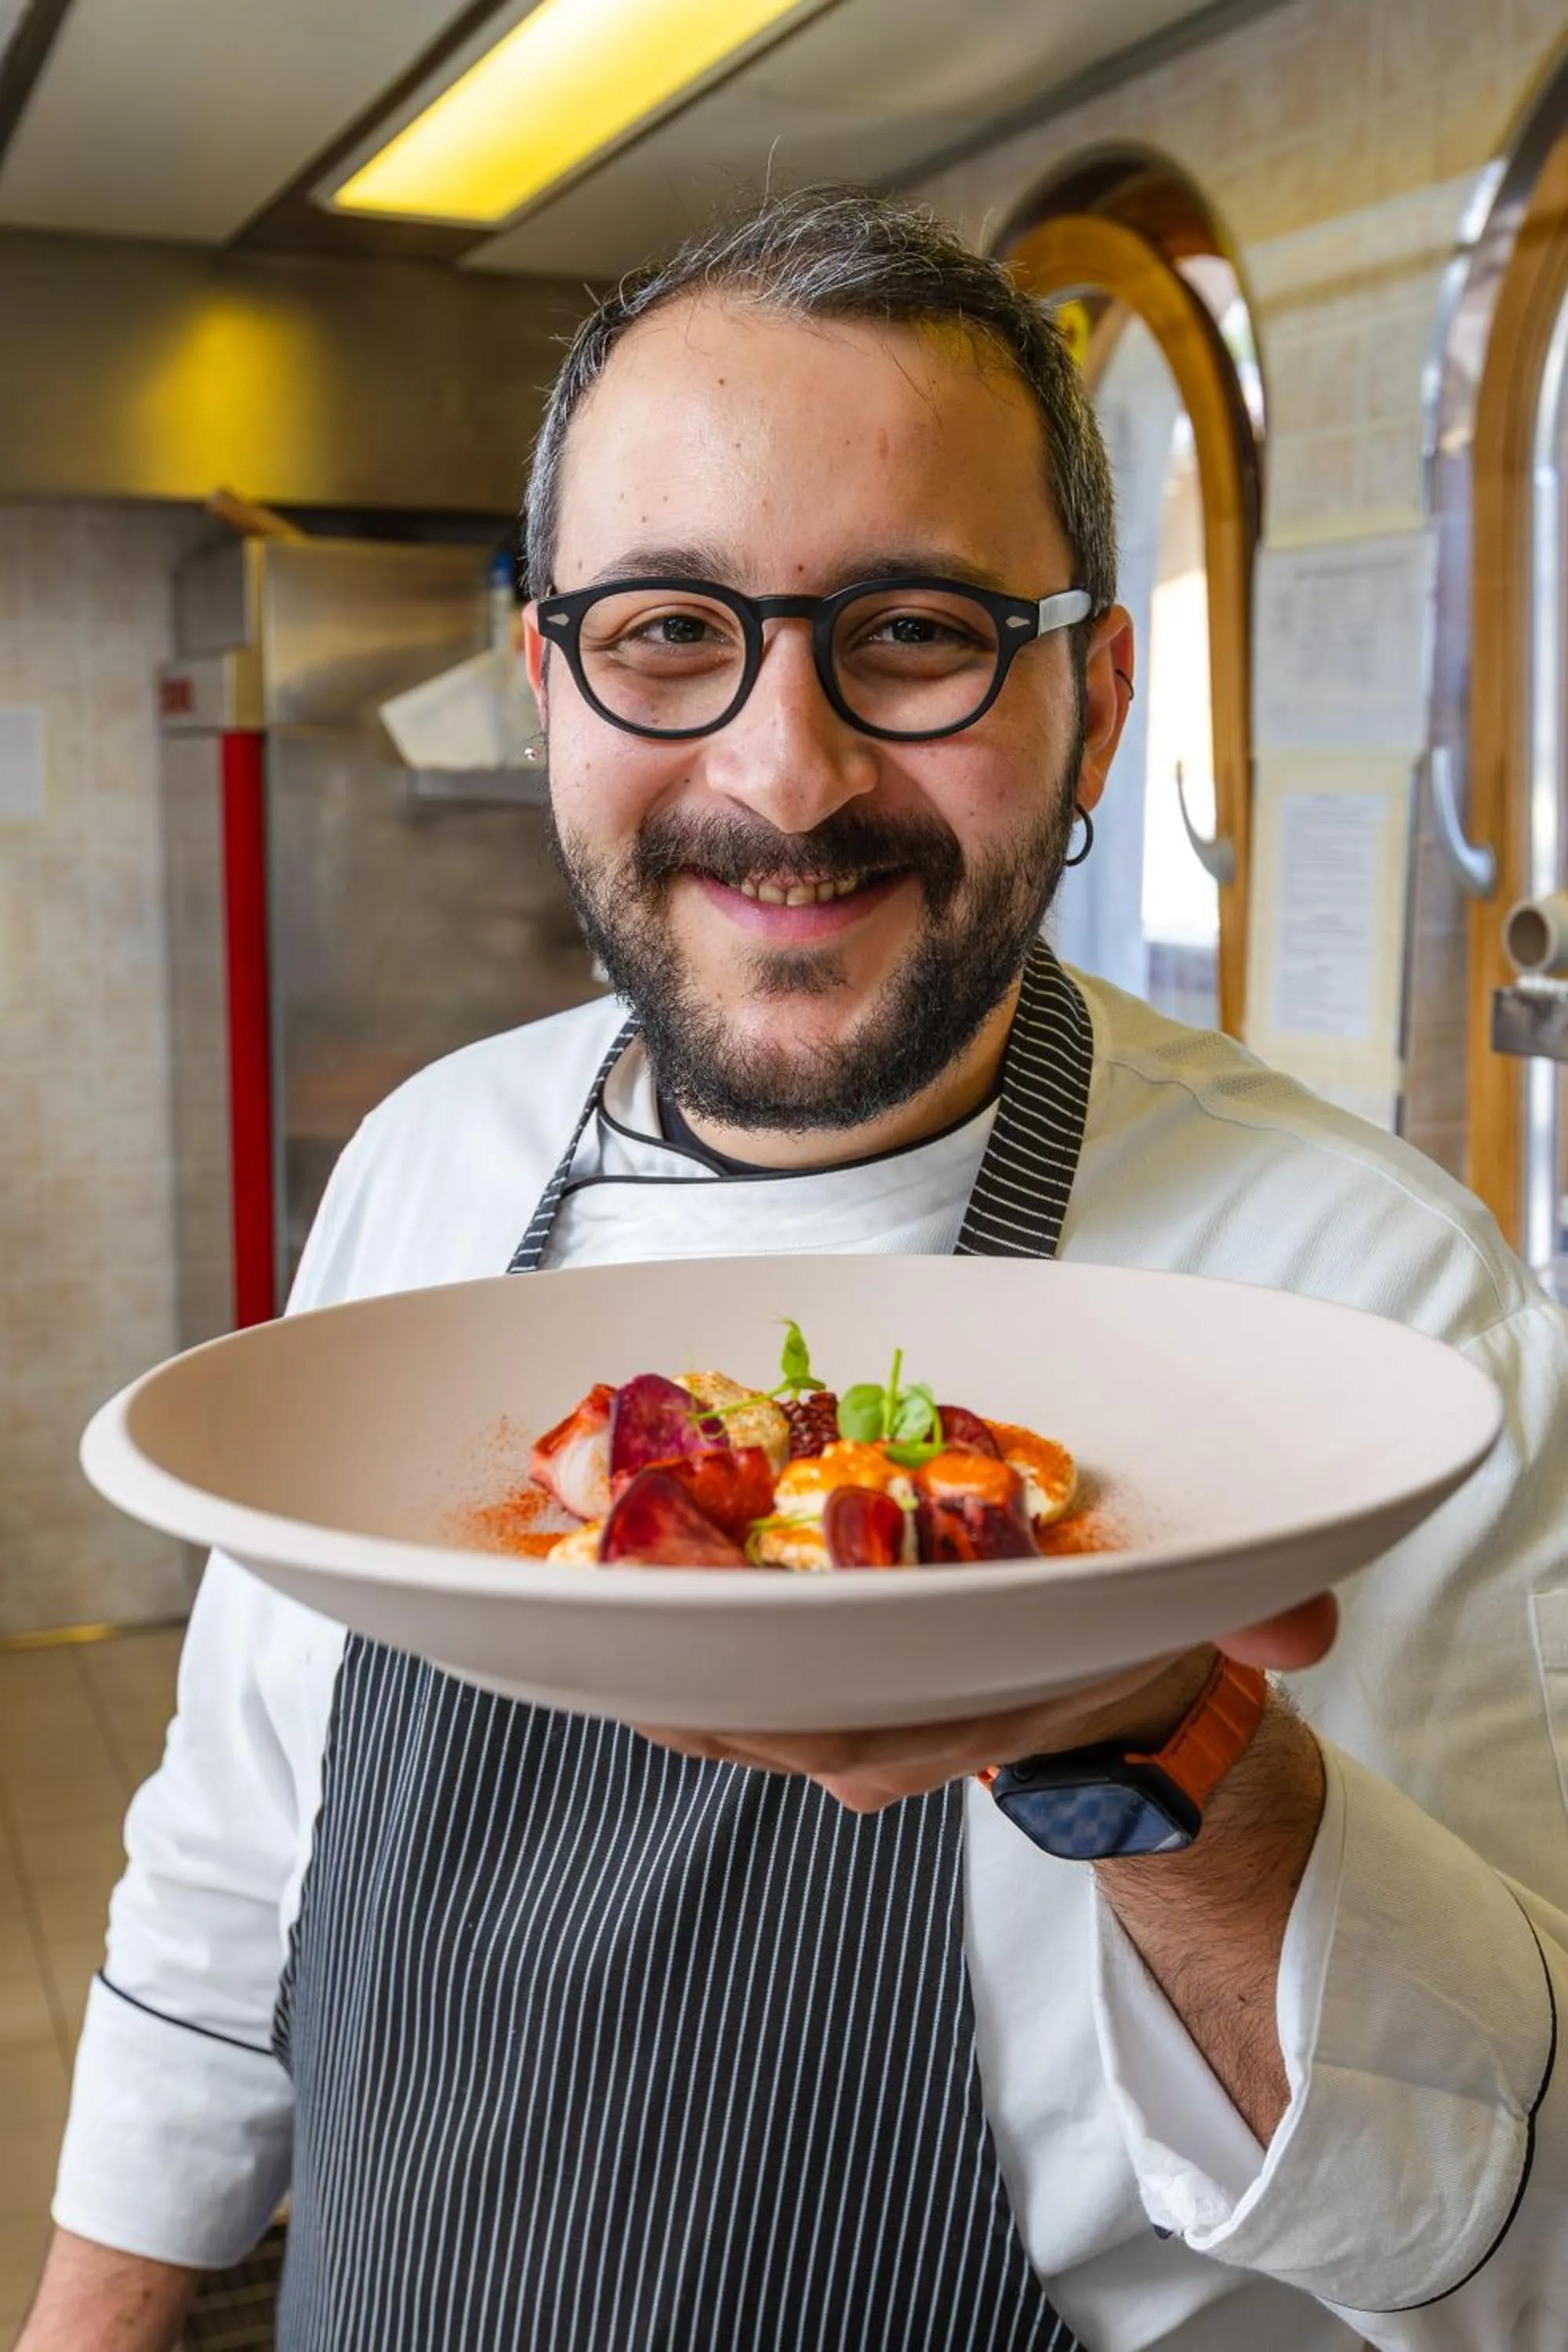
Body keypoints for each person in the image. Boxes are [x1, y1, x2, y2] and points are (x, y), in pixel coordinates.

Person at [19, 187, 1568, 2352]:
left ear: (1096, 697)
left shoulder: (1371, 1306)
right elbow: (232, 1855)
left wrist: (1174, 1747)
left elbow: (1519, 2254)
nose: (783, 774)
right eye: (669, 630)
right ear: (548, 687)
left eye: (916, 629)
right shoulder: (430, 1166)